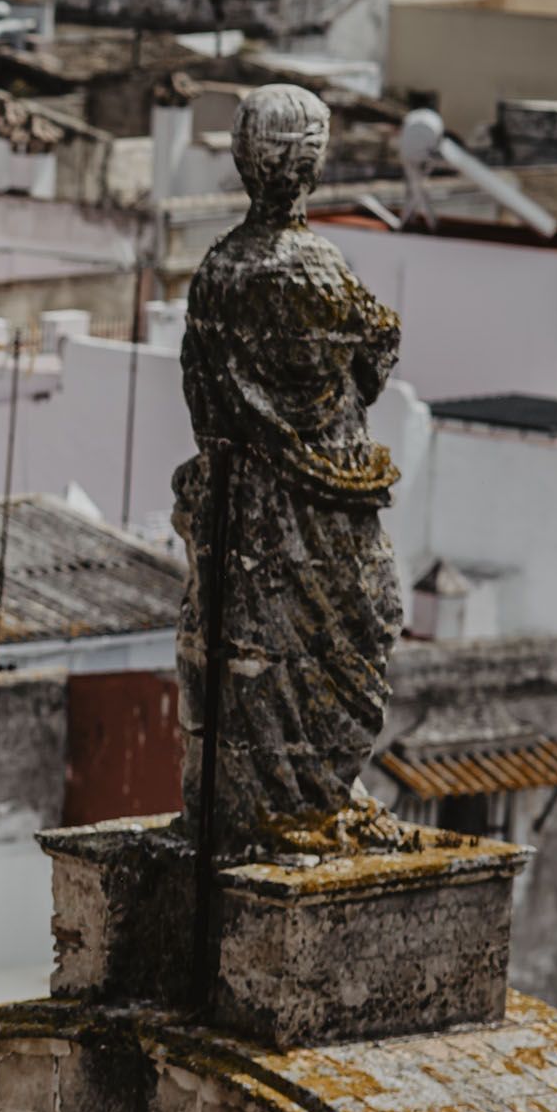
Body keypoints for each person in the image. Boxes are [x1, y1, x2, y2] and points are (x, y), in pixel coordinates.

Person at [175, 84, 408, 860]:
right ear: (311, 164)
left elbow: (201, 393)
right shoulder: (317, 268)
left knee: (263, 663)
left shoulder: (216, 272)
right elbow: (373, 353)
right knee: (358, 636)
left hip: (248, 513)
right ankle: (306, 801)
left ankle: (284, 802)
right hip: (326, 512)